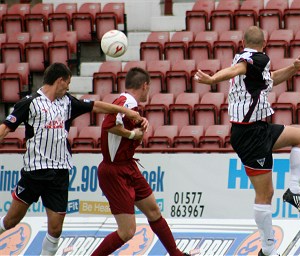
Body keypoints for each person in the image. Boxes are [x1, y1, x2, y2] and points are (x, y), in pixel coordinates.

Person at [0, 63, 145, 255]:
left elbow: (96, 106)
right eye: (67, 83)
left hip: (59, 173)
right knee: (11, 221)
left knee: (55, 228)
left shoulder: (67, 102)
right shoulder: (30, 102)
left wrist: (125, 111)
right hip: (34, 173)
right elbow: (6, 128)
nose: (68, 88)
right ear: (59, 81)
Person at [195, 26, 300, 256]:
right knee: (265, 193)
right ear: (265, 42)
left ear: (242, 41)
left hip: (260, 128)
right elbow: (234, 70)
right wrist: (212, 80)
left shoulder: (253, 62)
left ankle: (294, 190)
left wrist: (294, 67)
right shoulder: (255, 58)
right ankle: (268, 250)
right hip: (249, 135)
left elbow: (270, 80)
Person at [91, 67, 189, 256]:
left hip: (128, 166)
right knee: (127, 232)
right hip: (115, 171)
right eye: (148, 88)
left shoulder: (126, 102)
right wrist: (132, 133)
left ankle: (176, 254)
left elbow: (118, 125)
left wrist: (139, 124)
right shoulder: (127, 101)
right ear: (145, 86)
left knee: (153, 210)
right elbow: (108, 125)